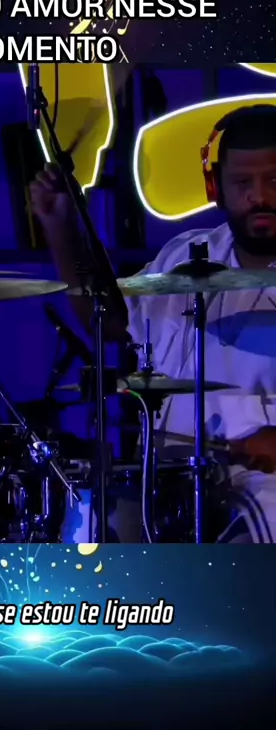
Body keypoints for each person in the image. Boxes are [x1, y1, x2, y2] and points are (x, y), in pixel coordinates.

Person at [30, 104, 276, 543]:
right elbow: (110, 322)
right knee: (92, 531)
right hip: (171, 479)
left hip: (263, 489)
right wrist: (60, 228)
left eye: (274, 181)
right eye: (243, 183)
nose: (259, 197)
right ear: (216, 187)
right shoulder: (186, 255)